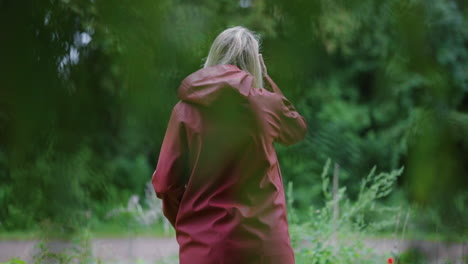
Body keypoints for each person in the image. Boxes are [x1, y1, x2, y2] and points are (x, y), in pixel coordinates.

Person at [152, 26, 307, 264]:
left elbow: (165, 184)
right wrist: (265, 79)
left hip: (206, 249)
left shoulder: (184, 110)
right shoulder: (265, 105)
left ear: (214, 56)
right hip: (266, 248)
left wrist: (192, 224)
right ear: (255, 62)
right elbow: (295, 130)